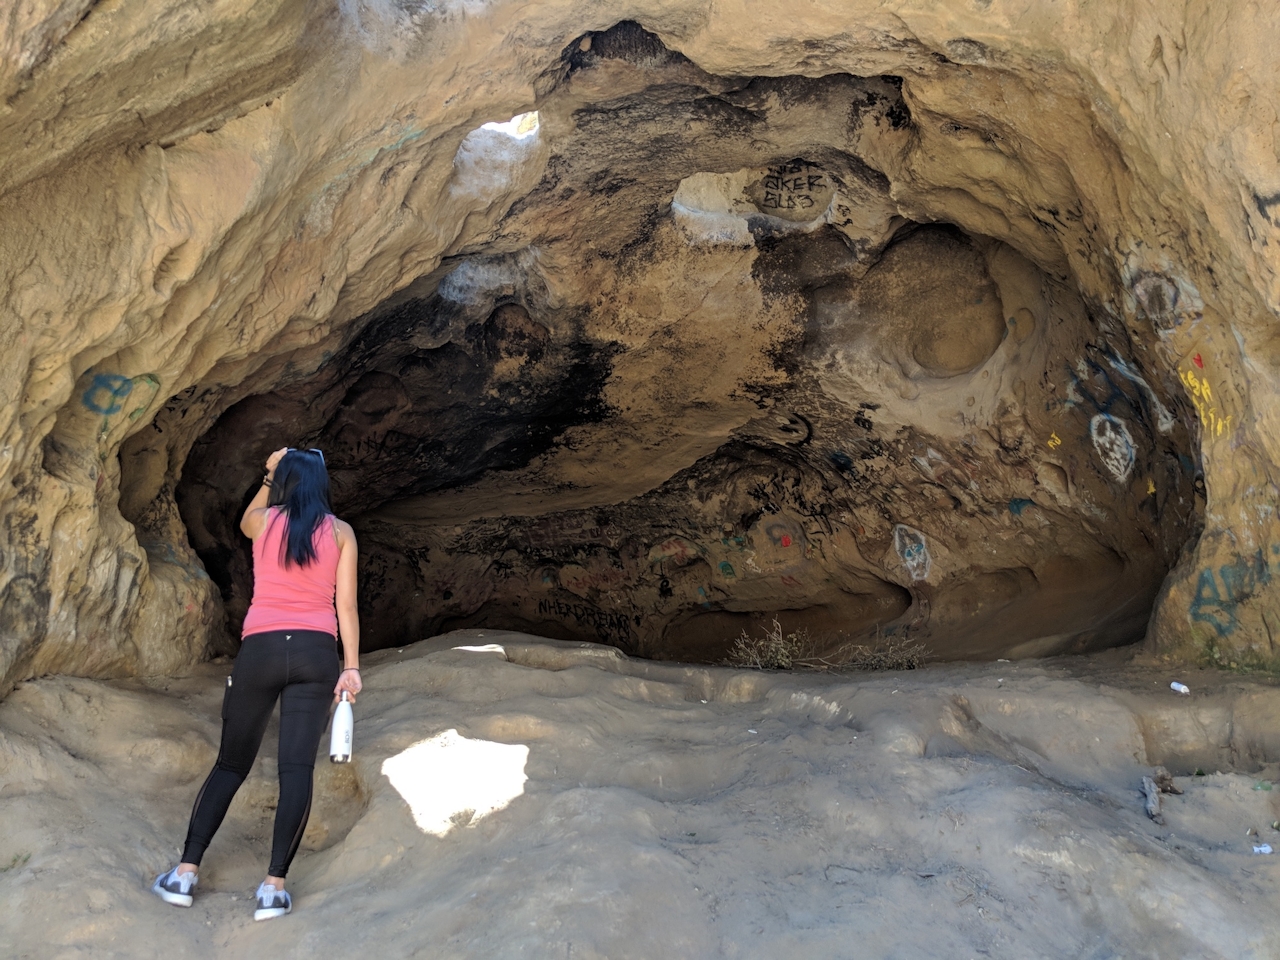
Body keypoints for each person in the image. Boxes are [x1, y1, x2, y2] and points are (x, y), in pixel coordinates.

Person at [152, 446, 362, 921]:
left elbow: (248, 514)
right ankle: (273, 888)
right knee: (296, 770)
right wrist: (350, 666)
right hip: (315, 652)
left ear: (282, 479)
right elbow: (346, 607)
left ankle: (184, 874)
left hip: (262, 649)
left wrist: (269, 473)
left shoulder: (264, 522)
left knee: (230, 764)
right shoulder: (342, 532)